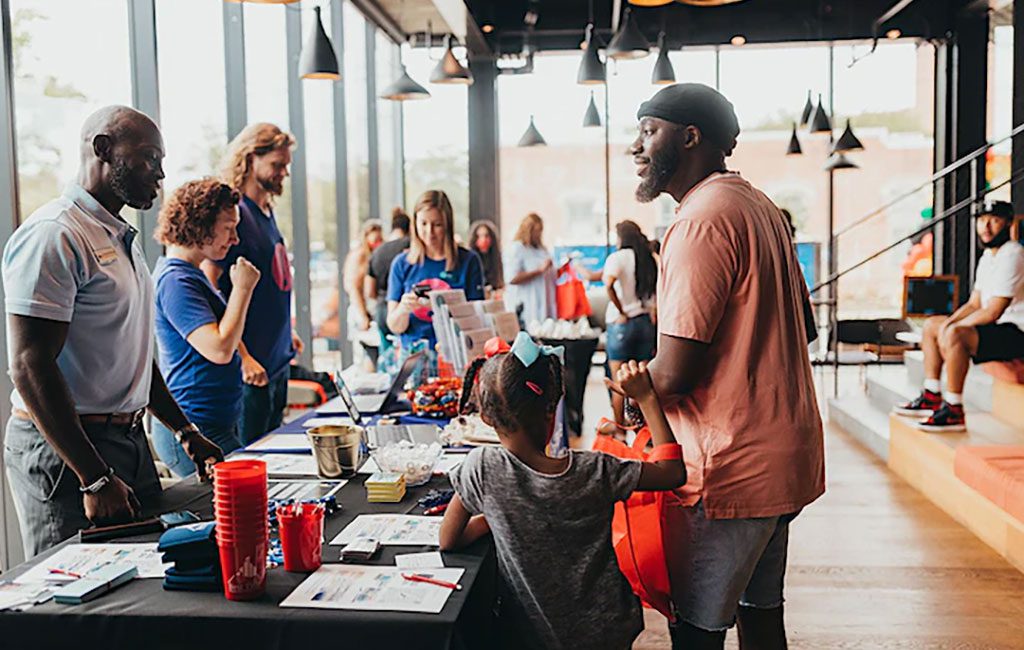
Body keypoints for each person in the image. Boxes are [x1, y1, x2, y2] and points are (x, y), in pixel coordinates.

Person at [623, 83, 825, 648]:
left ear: (690, 137)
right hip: (782, 458)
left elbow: (675, 373)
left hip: (728, 468)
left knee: (697, 632)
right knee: (762, 619)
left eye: (649, 131)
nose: (635, 148)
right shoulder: (758, 206)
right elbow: (805, 328)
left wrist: (631, 395)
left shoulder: (699, 220)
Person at [1, 106, 223, 557]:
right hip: (66, 453)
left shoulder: (117, 238)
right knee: (70, 601)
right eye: (149, 158)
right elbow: (28, 364)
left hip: (127, 441)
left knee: (138, 589)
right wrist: (93, 475)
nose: (160, 174)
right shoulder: (55, 235)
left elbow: (135, 355)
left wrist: (184, 430)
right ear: (103, 149)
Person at [440, 333, 685, 650]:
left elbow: (449, 539)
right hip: (606, 629)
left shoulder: (483, 468)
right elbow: (672, 473)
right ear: (551, 409)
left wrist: (497, 517)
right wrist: (648, 399)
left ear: (485, 417)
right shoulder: (596, 470)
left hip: (530, 634)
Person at [152, 179, 260, 477]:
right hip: (195, 429)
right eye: (228, 227)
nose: (235, 238)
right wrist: (243, 288)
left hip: (215, 424)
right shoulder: (176, 281)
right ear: (201, 224)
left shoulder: (191, 275)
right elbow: (220, 349)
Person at [203, 123, 302, 445]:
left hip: (277, 361)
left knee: (275, 457)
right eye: (277, 165)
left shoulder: (265, 211)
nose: (283, 173)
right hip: (251, 369)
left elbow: (271, 282)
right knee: (254, 460)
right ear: (250, 159)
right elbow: (209, 285)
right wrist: (242, 356)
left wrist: (288, 332)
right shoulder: (237, 214)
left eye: (285, 165)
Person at [894, 200, 1024, 431]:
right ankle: (932, 394)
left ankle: (954, 409)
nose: (987, 226)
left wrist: (953, 330)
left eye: (994, 220)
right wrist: (949, 323)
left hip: (1016, 331)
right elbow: (975, 303)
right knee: (933, 324)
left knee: (955, 334)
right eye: (982, 220)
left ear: (1008, 223)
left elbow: (993, 311)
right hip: (998, 328)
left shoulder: (1013, 254)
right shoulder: (988, 257)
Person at [386, 190, 485, 352]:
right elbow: (395, 326)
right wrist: (403, 309)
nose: (429, 232)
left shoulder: (469, 261)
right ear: (414, 223)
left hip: (456, 354)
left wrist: (444, 307)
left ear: (447, 225)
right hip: (415, 356)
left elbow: (477, 320)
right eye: (423, 223)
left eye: (437, 224)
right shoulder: (401, 264)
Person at [604, 220, 659, 425]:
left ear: (621, 238)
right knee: (643, 380)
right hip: (645, 323)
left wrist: (621, 310)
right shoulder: (648, 258)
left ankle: (619, 428)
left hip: (622, 325)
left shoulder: (617, 258)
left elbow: (608, 284)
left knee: (620, 380)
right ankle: (644, 428)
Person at [504, 213, 556, 327]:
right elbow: (512, 278)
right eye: (537, 231)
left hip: (544, 305)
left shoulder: (542, 250)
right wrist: (539, 271)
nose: (539, 235)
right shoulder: (517, 248)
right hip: (527, 305)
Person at [470, 220, 504, 297]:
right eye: (479, 236)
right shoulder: (471, 260)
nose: (483, 240)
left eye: (486, 236)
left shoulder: (498, 259)